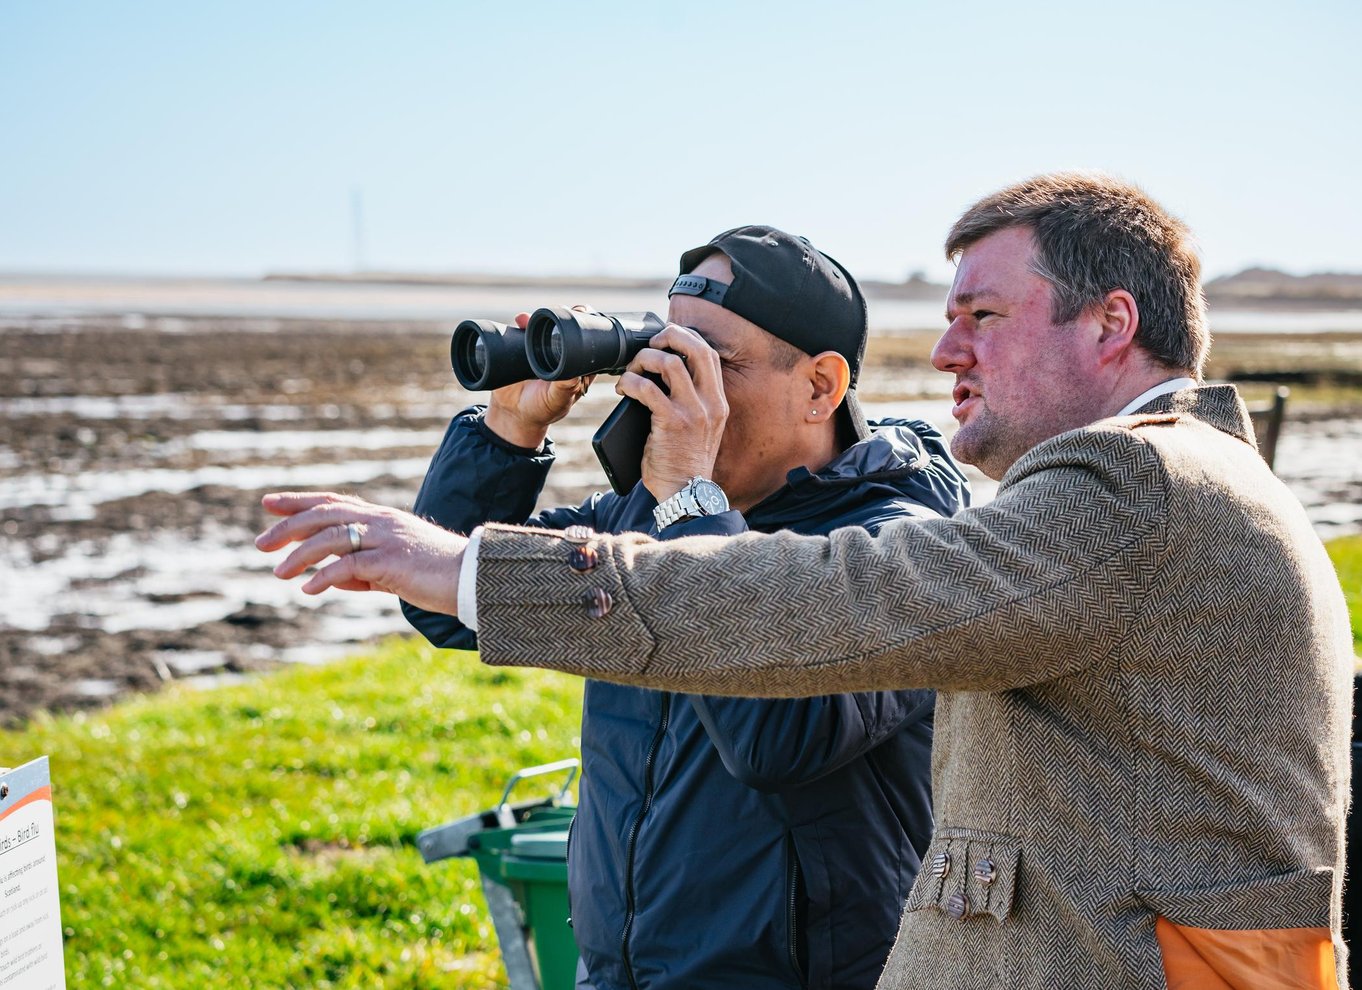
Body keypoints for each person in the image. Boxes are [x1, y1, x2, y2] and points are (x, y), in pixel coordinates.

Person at [257, 175, 1354, 990]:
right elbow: (443, 605)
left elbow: (803, 657)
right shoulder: (1150, 487)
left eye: (983, 316)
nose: (944, 353)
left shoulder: (1124, 483)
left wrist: (671, 499)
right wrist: (504, 436)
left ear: (1113, 323)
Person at [387, 226, 969, 989]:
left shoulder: (901, 549)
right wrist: (508, 432)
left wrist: (691, 499)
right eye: (666, 355)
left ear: (822, 386)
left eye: (713, 363)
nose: (679, 387)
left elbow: (779, 739)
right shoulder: (644, 517)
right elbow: (451, 602)